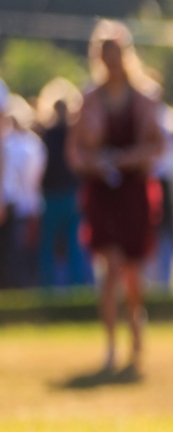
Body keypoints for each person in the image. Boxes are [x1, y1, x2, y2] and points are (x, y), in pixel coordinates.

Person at [68, 23, 166, 375]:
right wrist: (96, 164)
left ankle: (136, 326)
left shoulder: (143, 97)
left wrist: (128, 159)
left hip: (133, 191)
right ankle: (111, 345)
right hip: (102, 191)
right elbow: (74, 152)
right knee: (109, 268)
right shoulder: (89, 99)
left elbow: (158, 146)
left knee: (132, 272)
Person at [35, 82, 90, 289]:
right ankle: (75, 286)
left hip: (54, 195)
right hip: (69, 194)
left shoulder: (46, 134)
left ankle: (49, 287)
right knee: (73, 244)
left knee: (49, 245)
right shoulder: (73, 133)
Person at [2, 97, 47, 288]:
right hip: (25, 202)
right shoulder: (32, 144)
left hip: (17, 202)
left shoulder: (14, 145)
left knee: (15, 250)